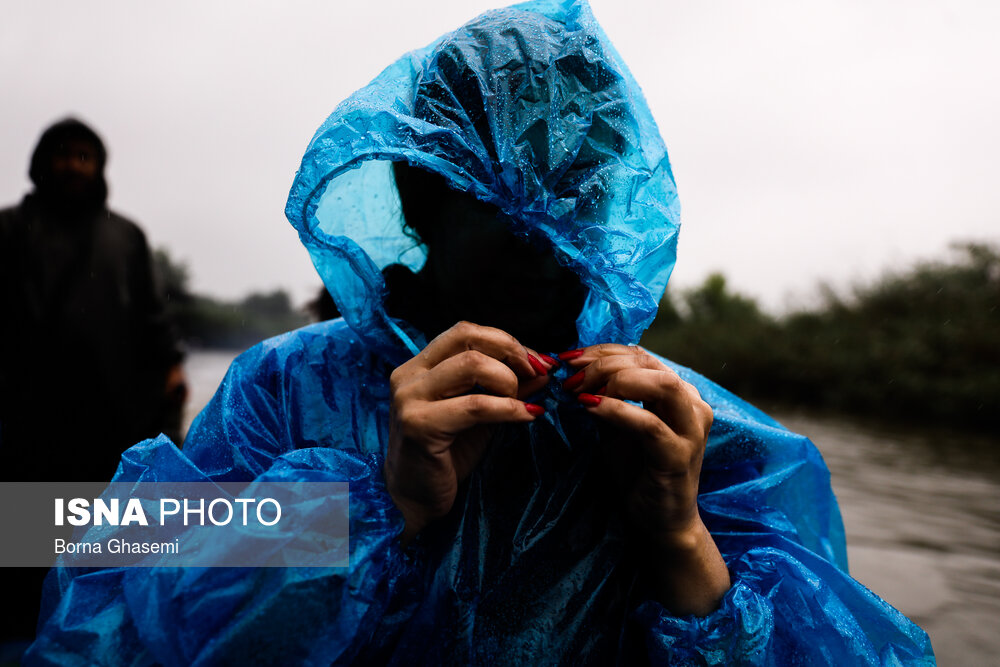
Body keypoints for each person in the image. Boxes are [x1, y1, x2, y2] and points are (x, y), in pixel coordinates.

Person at [26, 1, 934, 664]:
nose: (544, 232)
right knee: (26, 526)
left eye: (574, 188)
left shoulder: (703, 442)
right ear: (427, 187)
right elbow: (116, 610)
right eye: (505, 191)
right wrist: (379, 510)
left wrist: (679, 540)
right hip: (39, 440)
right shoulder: (285, 393)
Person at [0, 118, 187, 649]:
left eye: (85, 155)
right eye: (63, 154)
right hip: (26, 425)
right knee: (23, 555)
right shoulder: (8, 229)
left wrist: (173, 375)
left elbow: (155, 322)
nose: (74, 165)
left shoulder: (125, 236)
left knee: (104, 552)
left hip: (113, 427)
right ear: (41, 162)